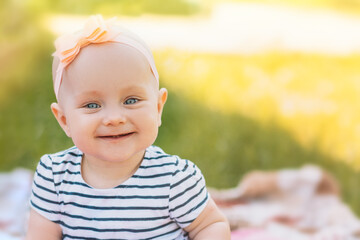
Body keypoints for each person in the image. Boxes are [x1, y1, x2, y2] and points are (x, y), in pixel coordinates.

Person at [25, 15, 230, 240]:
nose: (114, 118)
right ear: (64, 121)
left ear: (158, 107)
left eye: (131, 100)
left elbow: (210, 226)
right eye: (92, 105)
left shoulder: (174, 179)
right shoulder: (54, 176)